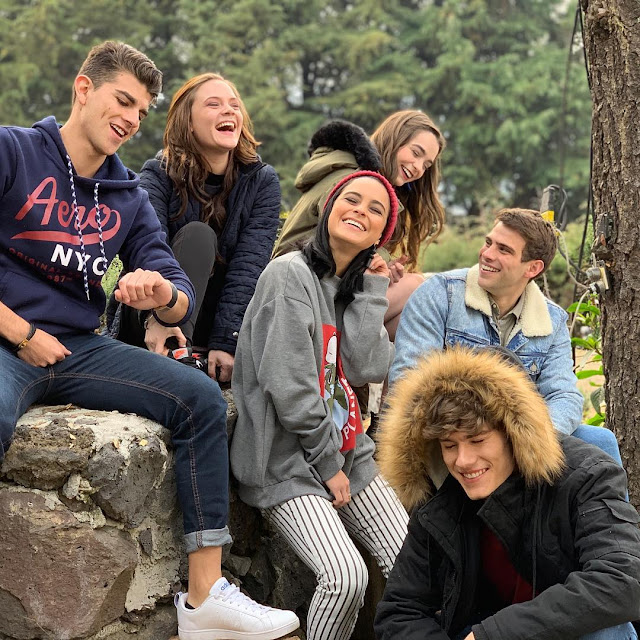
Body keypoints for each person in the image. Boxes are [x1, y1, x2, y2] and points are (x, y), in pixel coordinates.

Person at [0, 41, 298, 640]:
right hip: (8, 337)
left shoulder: (127, 194)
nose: (132, 118)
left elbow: (180, 292)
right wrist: (22, 333)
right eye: (122, 100)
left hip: (80, 348)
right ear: (84, 89)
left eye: (141, 110)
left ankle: (205, 597)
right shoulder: (14, 151)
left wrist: (160, 294)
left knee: (201, 398)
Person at [231, 171, 410, 640]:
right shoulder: (288, 274)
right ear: (329, 207)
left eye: (375, 209)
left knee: (414, 563)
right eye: (352, 199)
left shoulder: (349, 286)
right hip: (284, 461)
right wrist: (328, 463)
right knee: (346, 578)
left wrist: (373, 291)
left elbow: (367, 366)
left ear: (381, 233)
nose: (360, 211)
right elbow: (288, 384)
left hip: (348, 451)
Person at [375, 347, 640, 640]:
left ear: (516, 434)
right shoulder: (440, 502)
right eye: (449, 445)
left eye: (477, 440)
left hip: (557, 633)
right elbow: (398, 612)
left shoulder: (587, 475)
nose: (463, 461)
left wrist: (492, 635)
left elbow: (622, 580)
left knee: (606, 630)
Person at [390, 207, 621, 461]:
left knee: (602, 441)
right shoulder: (439, 294)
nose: (487, 254)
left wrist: (528, 440)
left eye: (504, 250)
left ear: (533, 268)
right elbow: (408, 382)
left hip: (518, 440)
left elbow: (563, 395)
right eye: (489, 243)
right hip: (450, 436)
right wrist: (480, 436)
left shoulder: (553, 321)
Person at [108, 72, 280, 382]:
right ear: (188, 121)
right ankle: (175, 350)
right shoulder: (158, 173)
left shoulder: (261, 182)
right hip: (148, 316)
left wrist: (226, 341)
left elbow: (248, 267)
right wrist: (161, 315)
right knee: (198, 236)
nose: (228, 111)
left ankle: (188, 352)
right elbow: (147, 250)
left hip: (211, 325)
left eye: (234, 105)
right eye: (213, 104)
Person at [272, 111, 446, 339]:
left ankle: (349, 360)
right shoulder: (355, 180)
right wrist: (380, 266)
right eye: (416, 153)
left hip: (320, 283)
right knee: (417, 286)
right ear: (394, 139)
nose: (418, 168)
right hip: (303, 287)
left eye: (426, 165)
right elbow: (341, 241)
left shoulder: (355, 174)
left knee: (406, 319)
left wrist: (384, 267)